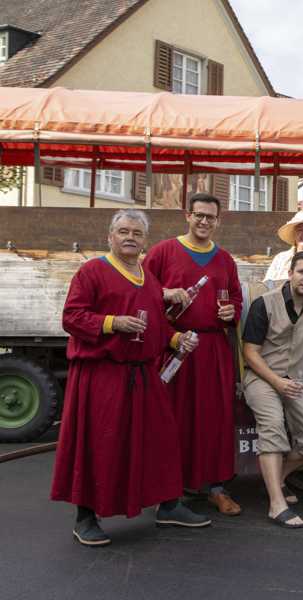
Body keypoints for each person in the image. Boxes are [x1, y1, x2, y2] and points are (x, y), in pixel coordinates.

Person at [51, 209, 209, 546]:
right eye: (123, 231)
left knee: (161, 439)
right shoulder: (92, 271)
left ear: (145, 241)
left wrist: (175, 339)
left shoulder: (148, 278)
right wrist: (112, 323)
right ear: (110, 236)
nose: (129, 238)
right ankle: (86, 517)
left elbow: (156, 323)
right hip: (102, 374)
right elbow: (72, 317)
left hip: (143, 374)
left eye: (136, 233)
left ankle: (167, 506)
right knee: (101, 443)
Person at [143, 193, 243, 516]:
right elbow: (141, 291)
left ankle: (216, 487)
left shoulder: (225, 259)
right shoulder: (163, 252)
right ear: (187, 215)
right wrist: (166, 310)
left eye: (210, 217)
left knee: (216, 419)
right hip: (176, 347)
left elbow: (237, 300)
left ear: (218, 220)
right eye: (198, 215)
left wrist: (232, 312)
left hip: (213, 349)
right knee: (174, 419)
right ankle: (173, 489)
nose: (203, 222)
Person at [241, 251, 303, 529]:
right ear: (290, 273)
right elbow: (250, 352)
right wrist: (276, 381)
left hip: (300, 378)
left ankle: (277, 476)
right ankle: (276, 504)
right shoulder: (263, 304)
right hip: (262, 376)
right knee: (272, 425)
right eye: (302, 272)